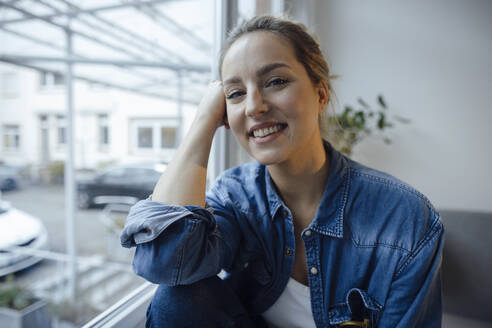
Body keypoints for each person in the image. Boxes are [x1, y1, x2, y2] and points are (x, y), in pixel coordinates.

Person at [120, 16, 444, 328]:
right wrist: (202, 124)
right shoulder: (235, 197)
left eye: (276, 81)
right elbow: (167, 263)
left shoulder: (405, 219)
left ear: (320, 94)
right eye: (235, 94)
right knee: (176, 298)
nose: (254, 106)